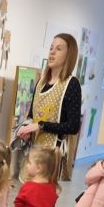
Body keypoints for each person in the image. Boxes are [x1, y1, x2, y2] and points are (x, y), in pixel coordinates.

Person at [16, 33, 82, 164]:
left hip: (52, 156)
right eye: (51, 48)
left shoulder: (71, 84)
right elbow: (32, 116)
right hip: (34, 151)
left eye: (58, 49)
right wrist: (27, 128)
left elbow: (73, 126)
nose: (52, 52)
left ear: (69, 55)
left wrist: (41, 125)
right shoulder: (40, 82)